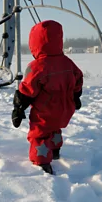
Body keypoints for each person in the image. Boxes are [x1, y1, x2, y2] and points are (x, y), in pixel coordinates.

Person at [12, 20, 83, 174]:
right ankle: (55, 149)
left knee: (40, 132)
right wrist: (76, 96)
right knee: (55, 128)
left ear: (35, 43)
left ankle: (42, 160)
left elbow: (27, 89)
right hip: (65, 108)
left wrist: (18, 108)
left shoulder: (37, 66)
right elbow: (78, 78)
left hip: (46, 110)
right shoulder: (68, 63)